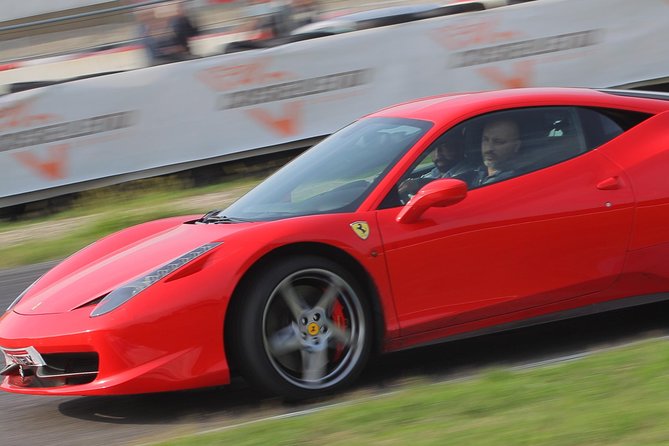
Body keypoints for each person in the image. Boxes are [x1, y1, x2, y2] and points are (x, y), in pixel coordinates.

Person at [466, 118, 521, 187]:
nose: (489, 148)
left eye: (498, 142)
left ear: (516, 146)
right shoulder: (474, 173)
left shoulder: (515, 180)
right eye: (485, 140)